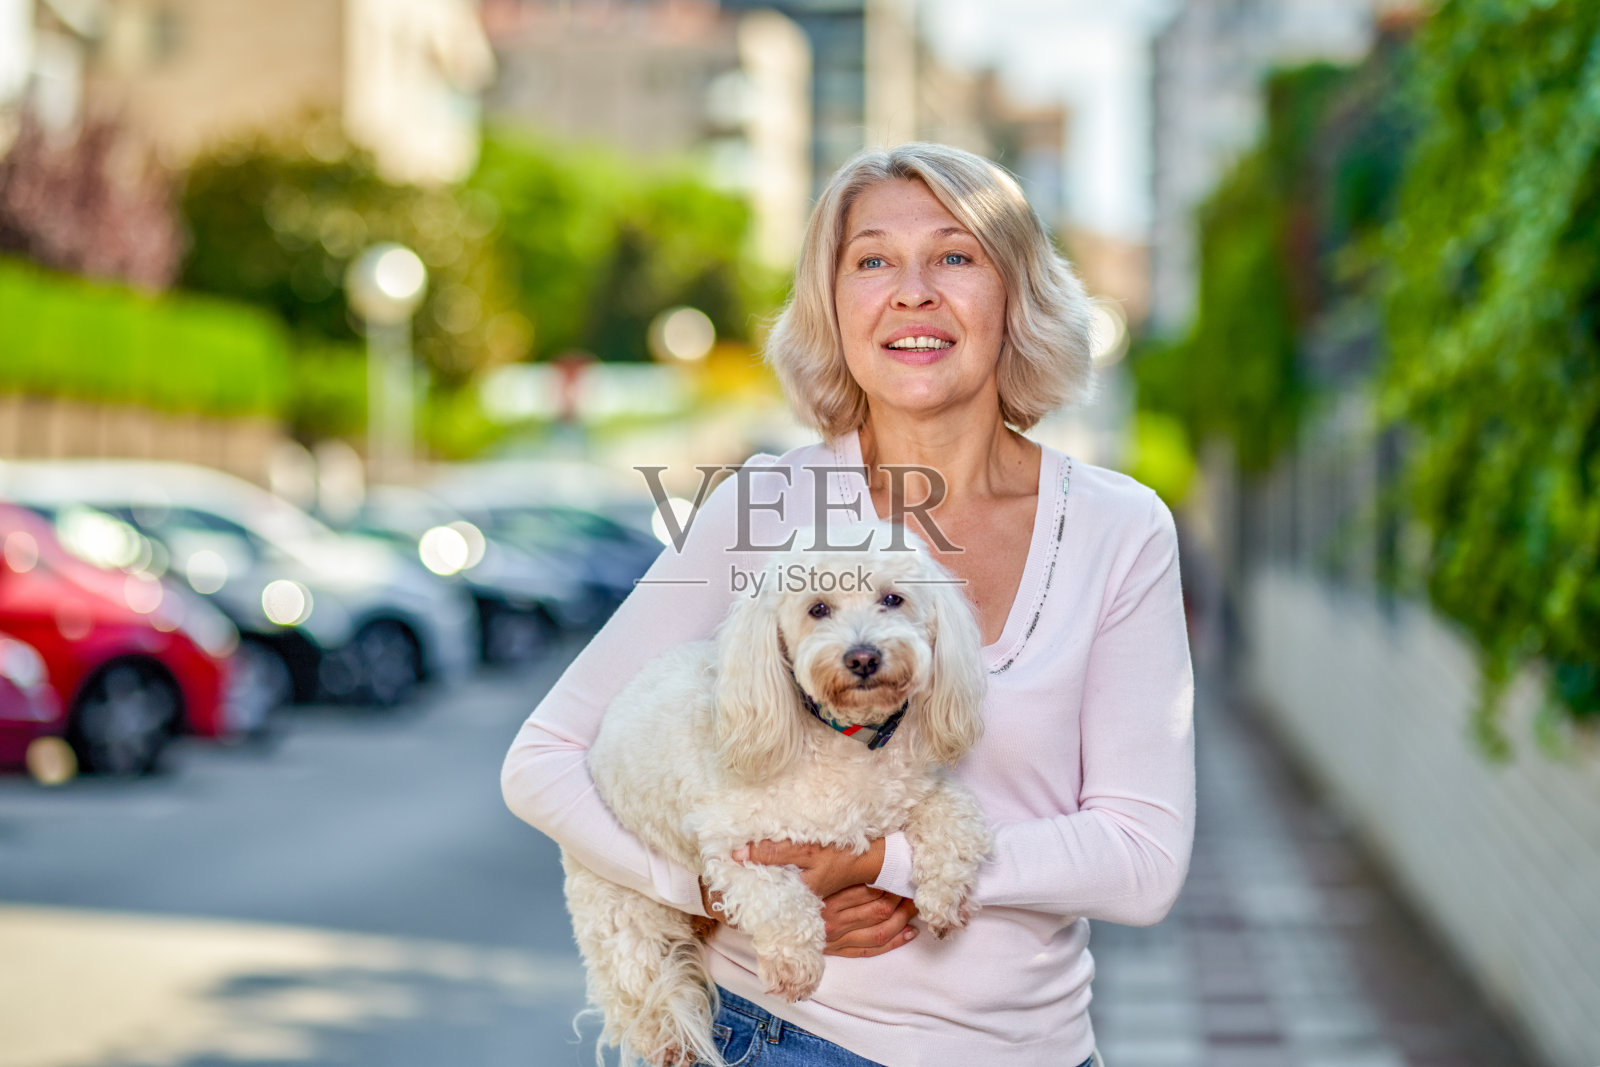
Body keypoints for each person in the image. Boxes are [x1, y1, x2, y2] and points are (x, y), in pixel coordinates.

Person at [501, 142, 1195, 1067]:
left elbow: (1143, 857)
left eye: (955, 255)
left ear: (1016, 294)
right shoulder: (762, 508)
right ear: (834, 305)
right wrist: (717, 889)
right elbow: (542, 759)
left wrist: (880, 864)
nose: (912, 291)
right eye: (872, 260)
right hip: (779, 1037)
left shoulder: (1120, 527)